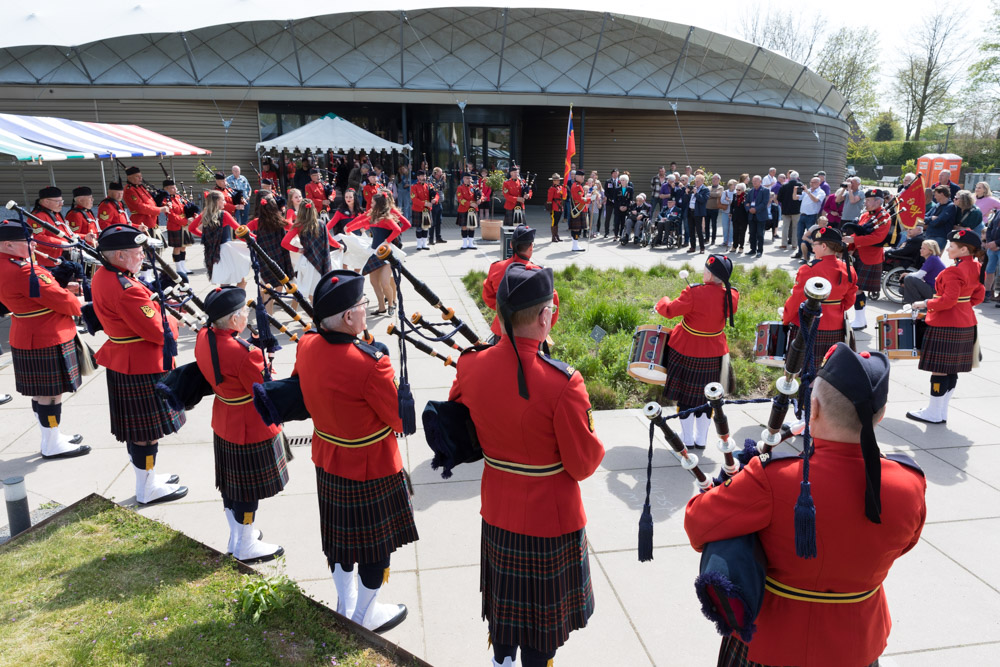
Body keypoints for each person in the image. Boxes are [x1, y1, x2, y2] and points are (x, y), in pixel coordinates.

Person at [685, 342, 926, 667]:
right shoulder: (911, 483)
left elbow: (698, 523)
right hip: (856, 644)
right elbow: (904, 545)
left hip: (771, 643)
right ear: (879, 416)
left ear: (812, 409)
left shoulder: (774, 476)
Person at [450, 262, 603, 667]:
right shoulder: (564, 382)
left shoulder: (469, 363)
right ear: (543, 316)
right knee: (541, 630)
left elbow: (460, 411)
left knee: (505, 615)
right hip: (550, 523)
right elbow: (584, 464)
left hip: (498, 510)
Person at [293, 269, 416, 633]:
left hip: (328, 458)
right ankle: (365, 612)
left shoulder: (306, 344)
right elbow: (398, 419)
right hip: (371, 465)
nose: (366, 309)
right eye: (363, 304)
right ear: (348, 317)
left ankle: (345, 604)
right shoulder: (371, 363)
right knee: (377, 548)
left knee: (339, 540)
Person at [91, 224, 187, 505]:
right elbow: (159, 331)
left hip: (128, 361)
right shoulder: (127, 288)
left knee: (141, 432)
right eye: (137, 252)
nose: (143, 256)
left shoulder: (106, 274)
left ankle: (149, 478)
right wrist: (171, 316)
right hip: (141, 365)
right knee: (146, 434)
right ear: (119, 255)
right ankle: (146, 487)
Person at [195, 286, 287, 562]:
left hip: (224, 418)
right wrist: (266, 358)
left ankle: (237, 535)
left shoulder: (204, 336)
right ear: (234, 320)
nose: (247, 315)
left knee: (230, 485)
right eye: (244, 312)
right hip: (249, 425)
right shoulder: (246, 353)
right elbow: (264, 388)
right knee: (247, 490)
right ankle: (246, 544)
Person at [0, 218, 89, 459]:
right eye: (27, 241)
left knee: (42, 393)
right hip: (47, 335)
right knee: (51, 394)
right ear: (8, 244)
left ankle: (51, 436)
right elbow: (65, 302)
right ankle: (51, 442)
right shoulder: (24, 270)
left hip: (28, 332)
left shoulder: (8, 265)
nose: (32, 245)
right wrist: (75, 298)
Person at [655, 254, 739, 449]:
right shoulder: (732, 295)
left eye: (706, 270)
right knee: (707, 398)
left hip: (687, 349)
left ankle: (687, 440)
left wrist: (662, 300)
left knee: (685, 398)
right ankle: (701, 439)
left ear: (710, 275)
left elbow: (669, 310)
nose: (704, 272)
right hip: (715, 352)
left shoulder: (694, 292)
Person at [907, 229, 985, 424]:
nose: (948, 249)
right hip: (966, 321)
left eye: (952, 246)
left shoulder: (954, 270)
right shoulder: (976, 266)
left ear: (964, 250)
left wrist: (924, 304)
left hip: (946, 323)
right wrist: (963, 306)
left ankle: (933, 412)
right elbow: (979, 295)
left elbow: (948, 300)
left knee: (940, 370)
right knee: (952, 370)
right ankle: (940, 411)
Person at [781, 227, 857, 373]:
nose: (813, 249)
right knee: (830, 373)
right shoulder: (849, 269)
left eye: (814, 245)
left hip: (808, 326)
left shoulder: (808, 269)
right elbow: (849, 301)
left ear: (823, 246)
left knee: (804, 373)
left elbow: (795, 301)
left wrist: (785, 320)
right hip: (837, 328)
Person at [481, 225, 560, 343]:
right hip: (529, 334)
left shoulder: (496, 268)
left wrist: (505, 311)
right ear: (531, 247)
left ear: (511, 245)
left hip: (501, 329)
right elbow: (552, 305)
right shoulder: (539, 274)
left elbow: (488, 297)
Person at [345, 190, 409, 317]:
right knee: (374, 282)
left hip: (386, 253)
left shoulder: (387, 218)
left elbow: (397, 230)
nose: (371, 204)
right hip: (374, 252)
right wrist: (348, 228)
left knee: (385, 282)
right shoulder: (372, 217)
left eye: (373, 202)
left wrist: (387, 241)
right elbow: (361, 222)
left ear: (379, 204)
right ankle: (381, 307)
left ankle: (391, 303)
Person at [842, 189, 893, 330]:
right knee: (853, 287)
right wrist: (850, 246)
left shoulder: (885, 217)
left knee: (857, 288)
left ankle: (860, 320)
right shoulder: (865, 215)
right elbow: (858, 231)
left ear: (878, 201)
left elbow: (878, 238)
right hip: (857, 254)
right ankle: (860, 319)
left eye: (869, 200)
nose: (865, 202)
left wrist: (854, 239)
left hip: (870, 257)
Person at [281, 199, 335, 302]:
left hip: (307, 261)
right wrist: (339, 246)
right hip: (322, 260)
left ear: (300, 211)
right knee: (320, 289)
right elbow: (330, 241)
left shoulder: (298, 225)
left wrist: (298, 249)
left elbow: (284, 243)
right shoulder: (321, 223)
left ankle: (315, 314)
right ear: (314, 210)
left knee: (310, 291)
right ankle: (318, 314)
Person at [246, 193, 293, 314]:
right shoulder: (280, 220)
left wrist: (254, 239)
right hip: (279, 256)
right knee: (279, 281)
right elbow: (293, 228)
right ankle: (270, 308)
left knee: (266, 285)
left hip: (263, 257)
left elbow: (241, 233)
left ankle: (268, 314)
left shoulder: (256, 222)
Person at [189, 191, 244, 286]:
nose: (225, 202)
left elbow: (191, 228)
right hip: (225, 250)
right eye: (223, 200)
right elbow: (239, 230)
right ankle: (232, 299)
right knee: (238, 280)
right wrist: (255, 238)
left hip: (212, 251)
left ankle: (228, 298)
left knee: (225, 280)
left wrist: (204, 236)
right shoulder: (224, 214)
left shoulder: (205, 214)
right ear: (217, 201)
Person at [162, 179, 193, 277]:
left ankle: (183, 266)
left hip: (184, 225)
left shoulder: (179, 197)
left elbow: (187, 207)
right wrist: (185, 221)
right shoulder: (166, 200)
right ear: (166, 189)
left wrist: (193, 214)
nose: (174, 189)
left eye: (174, 187)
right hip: (175, 225)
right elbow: (171, 216)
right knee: (177, 247)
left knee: (184, 246)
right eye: (172, 187)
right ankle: (178, 268)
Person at [902, 239, 946, 305]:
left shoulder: (932, 259)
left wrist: (907, 274)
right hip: (934, 289)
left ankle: (918, 305)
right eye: (921, 248)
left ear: (931, 251)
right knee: (902, 290)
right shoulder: (933, 258)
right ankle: (916, 303)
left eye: (924, 249)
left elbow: (919, 275)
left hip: (935, 291)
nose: (921, 250)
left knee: (908, 279)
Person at [796, 176, 825, 261]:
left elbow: (816, 200)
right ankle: (800, 252)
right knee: (799, 235)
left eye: (814, 182)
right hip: (802, 215)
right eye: (811, 182)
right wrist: (794, 190)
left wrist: (808, 192)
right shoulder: (806, 191)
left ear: (819, 183)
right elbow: (796, 198)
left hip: (811, 216)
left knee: (811, 236)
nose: (812, 184)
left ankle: (807, 255)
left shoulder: (821, 192)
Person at [924, 185, 956, 250]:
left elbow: (939, 221)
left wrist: (928, 222)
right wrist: (931, 218)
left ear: (941, 194)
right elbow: (924, 217)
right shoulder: (937, 205)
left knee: (933, 257)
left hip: (939, 237)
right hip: (929, 235)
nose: (934, 197)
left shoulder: (950, 207)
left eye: (935, 195)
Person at [745, 175, 770, 258]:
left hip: (760, 215)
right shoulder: (750, 191)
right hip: (751, 215)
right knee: (752, 233)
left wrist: (755, 209)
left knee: (760, 234)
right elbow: (746, 202)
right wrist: (749, 209)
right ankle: (753, 249)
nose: (754, 182)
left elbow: (764, 202)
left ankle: (759, 251)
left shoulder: (765, 190)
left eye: (756, 181)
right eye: (753, 181)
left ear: (760, 181)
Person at [777, 171, 802, 250]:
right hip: (796, 210)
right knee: (795, 228)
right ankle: (794, 245)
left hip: (785, 209)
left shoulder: (784, 185)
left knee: (785, 227)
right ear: (797, 177)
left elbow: (779, 198)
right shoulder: (800, 185)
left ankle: (784, 244)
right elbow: (801, 198)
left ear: (789, 177)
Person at [686, 174, 709, 254]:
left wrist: (696, 193)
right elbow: (688, 199)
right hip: (690, 211)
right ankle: (693, 247)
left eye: (698, 181)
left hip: (698, 213)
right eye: (695, 181)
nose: (696, 183)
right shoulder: (693, 188)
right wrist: (687, 193)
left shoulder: (705, 189)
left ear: (702, 181)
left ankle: (702, 248)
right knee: (691, 231)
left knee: (699, 231)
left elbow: (703, 200)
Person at [410, 170, 432, 251]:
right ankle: (419, 244)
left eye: (424, 176)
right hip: (418, 209)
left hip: (426, 210)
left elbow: (435, 194)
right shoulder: (414, 186)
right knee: (419, 228)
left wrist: (434, 200)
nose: (424, 178)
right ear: (418, 177)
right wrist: (425, 204)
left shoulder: (428, 186)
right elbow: (414, 199)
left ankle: (424, 244)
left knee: (425, 227)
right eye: (422, 176)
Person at [456, 172, 479, 249]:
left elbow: (480, 195)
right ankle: (465, 243)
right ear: (463, 179)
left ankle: (471, 243)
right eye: (467, 178)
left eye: (469, 178)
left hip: (472, 210)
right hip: (463, 209)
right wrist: (470, 204)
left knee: (472, 226)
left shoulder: (474, 187)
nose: (468, 180)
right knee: (464, 226)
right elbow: (460, 199)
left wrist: (480, 200)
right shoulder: (460, 188)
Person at [568, 170, 589, 252]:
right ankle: (575, 246)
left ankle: (575, 245)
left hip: (579, 209)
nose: (583, 178)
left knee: (577, 229)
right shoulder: (577, 186)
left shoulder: (578, 185)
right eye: (582, 176)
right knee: (576, 229)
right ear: (578, 177)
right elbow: (580, 199)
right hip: (578, 210)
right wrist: (590, 199)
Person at [613, 174, 634, 241]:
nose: (622, 181)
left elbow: (631, 200)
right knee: (616, 222)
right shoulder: (617, 189)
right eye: (621, 180)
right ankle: (615, 235)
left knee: (623, 222)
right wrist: (619, 206)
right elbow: (615, 200)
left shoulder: (630, 189)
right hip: (618, 208)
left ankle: (621, 235)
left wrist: (626, 207)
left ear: (627, 181)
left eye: (623, 180)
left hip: (626, 208)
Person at [546, 173, 566, 243]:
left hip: (560, 207)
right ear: (553, 181)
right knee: (554, 222)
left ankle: (557, 235)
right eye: (556, 180)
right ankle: (553, 237)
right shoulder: (552, 189)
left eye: (558, 180)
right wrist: (550, 209)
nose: (558, 181)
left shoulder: (560, 187)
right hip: (554, 207)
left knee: (557, 222)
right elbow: (549, 199)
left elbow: (563, 196)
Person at [429, 166, 447, 244]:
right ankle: (431, 239)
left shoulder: (440, 179)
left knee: (439, 221)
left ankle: (438, 237)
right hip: (433, 203)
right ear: (436, 173)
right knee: (433, 222)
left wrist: (443, 180)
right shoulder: (430, 179)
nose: (441, 174)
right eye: (440, 173)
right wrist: (440, 181)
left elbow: (444, 187)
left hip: (439, 203)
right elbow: (434, 189)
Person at [731, 183, 749, 254]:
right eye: (736, 189)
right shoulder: (734, 196)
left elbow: (747, 206)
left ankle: (741, 246)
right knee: (735, 232)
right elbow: (732, 205)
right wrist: (730, 213)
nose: (737, 191)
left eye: (739, 190)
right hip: (735, 216)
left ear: (743, 190)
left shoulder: (746, 196)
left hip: (744, 217)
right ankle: (734, 246)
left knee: (742, 233)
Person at [602, 168, 620, 238]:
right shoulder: (608, 181)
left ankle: (616, 232)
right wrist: (611, 199)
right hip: (609, 202)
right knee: (608, 218)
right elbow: (606, 192)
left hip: (617, 203)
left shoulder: (620, 181)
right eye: (613, 173)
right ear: (612, 174)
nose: (615, 174)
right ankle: (606, 232)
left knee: (617, 218)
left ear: (618, 173)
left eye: (616, 173)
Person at [706, 173, 723, 245]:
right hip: (707, 208)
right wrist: (713, 194)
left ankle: (713, 239)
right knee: (707, 225)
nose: (713, 180)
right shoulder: (708, 187)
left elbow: (718, 194)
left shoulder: (720, 187)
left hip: (715, 209)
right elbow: (706, 195)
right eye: (713, 179)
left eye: (715, 179)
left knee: (713, 224)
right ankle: (707, 238)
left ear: (719, 180)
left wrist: (710, 194)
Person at [719, 179, 735, 251]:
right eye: (734, 184)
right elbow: (722, 200)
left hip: (732, 212)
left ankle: (730, 241)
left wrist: (728, 200)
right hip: (725, 211)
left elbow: (734, 202)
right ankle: (725, 240)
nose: (735, 186)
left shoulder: (735, 193)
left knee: (731, 227)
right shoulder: (725, 192)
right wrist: (729, 201)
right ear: (730, 185)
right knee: (725, 227)